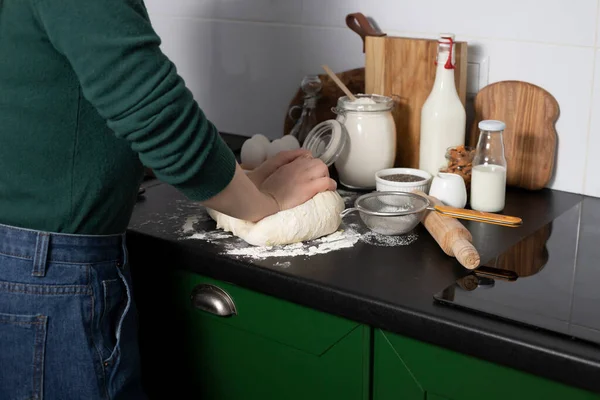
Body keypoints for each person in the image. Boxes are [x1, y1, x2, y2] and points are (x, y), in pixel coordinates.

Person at [0, 0, 336, 399]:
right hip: (50, 273)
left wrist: (238, 181)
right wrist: (266, 204)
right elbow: (154, 113)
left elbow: (48, 98)